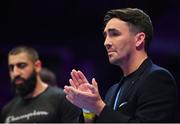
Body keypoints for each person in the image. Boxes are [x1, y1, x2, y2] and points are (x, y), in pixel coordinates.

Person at [64, 8, 177, 122]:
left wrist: (98, 106)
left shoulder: (157, 78)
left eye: (114, 34)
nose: (106, 42)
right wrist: (89, 109)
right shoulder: (112, 90)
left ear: (139, 39)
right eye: (106, 36)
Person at [1, 46, 81, 123]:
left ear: (37, 66)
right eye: (11, 68)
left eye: (21, 66)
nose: (15, 73)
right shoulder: (7, 110)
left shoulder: (64, 99)